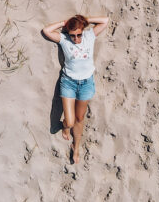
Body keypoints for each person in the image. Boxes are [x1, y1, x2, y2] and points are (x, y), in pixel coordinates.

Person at [41, 13, 109, 165]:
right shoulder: (64, 40)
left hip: (86, 84)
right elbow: (46, 31)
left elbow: (105, 21)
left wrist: (84, 21)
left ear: (82, 31)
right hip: (69, 83)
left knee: (80, 118)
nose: (77, 39)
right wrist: (63, 22)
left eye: (79, 35)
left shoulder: (89, 36)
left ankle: (76, 146)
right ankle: (66, 127)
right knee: (70, 121)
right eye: (73, 36)